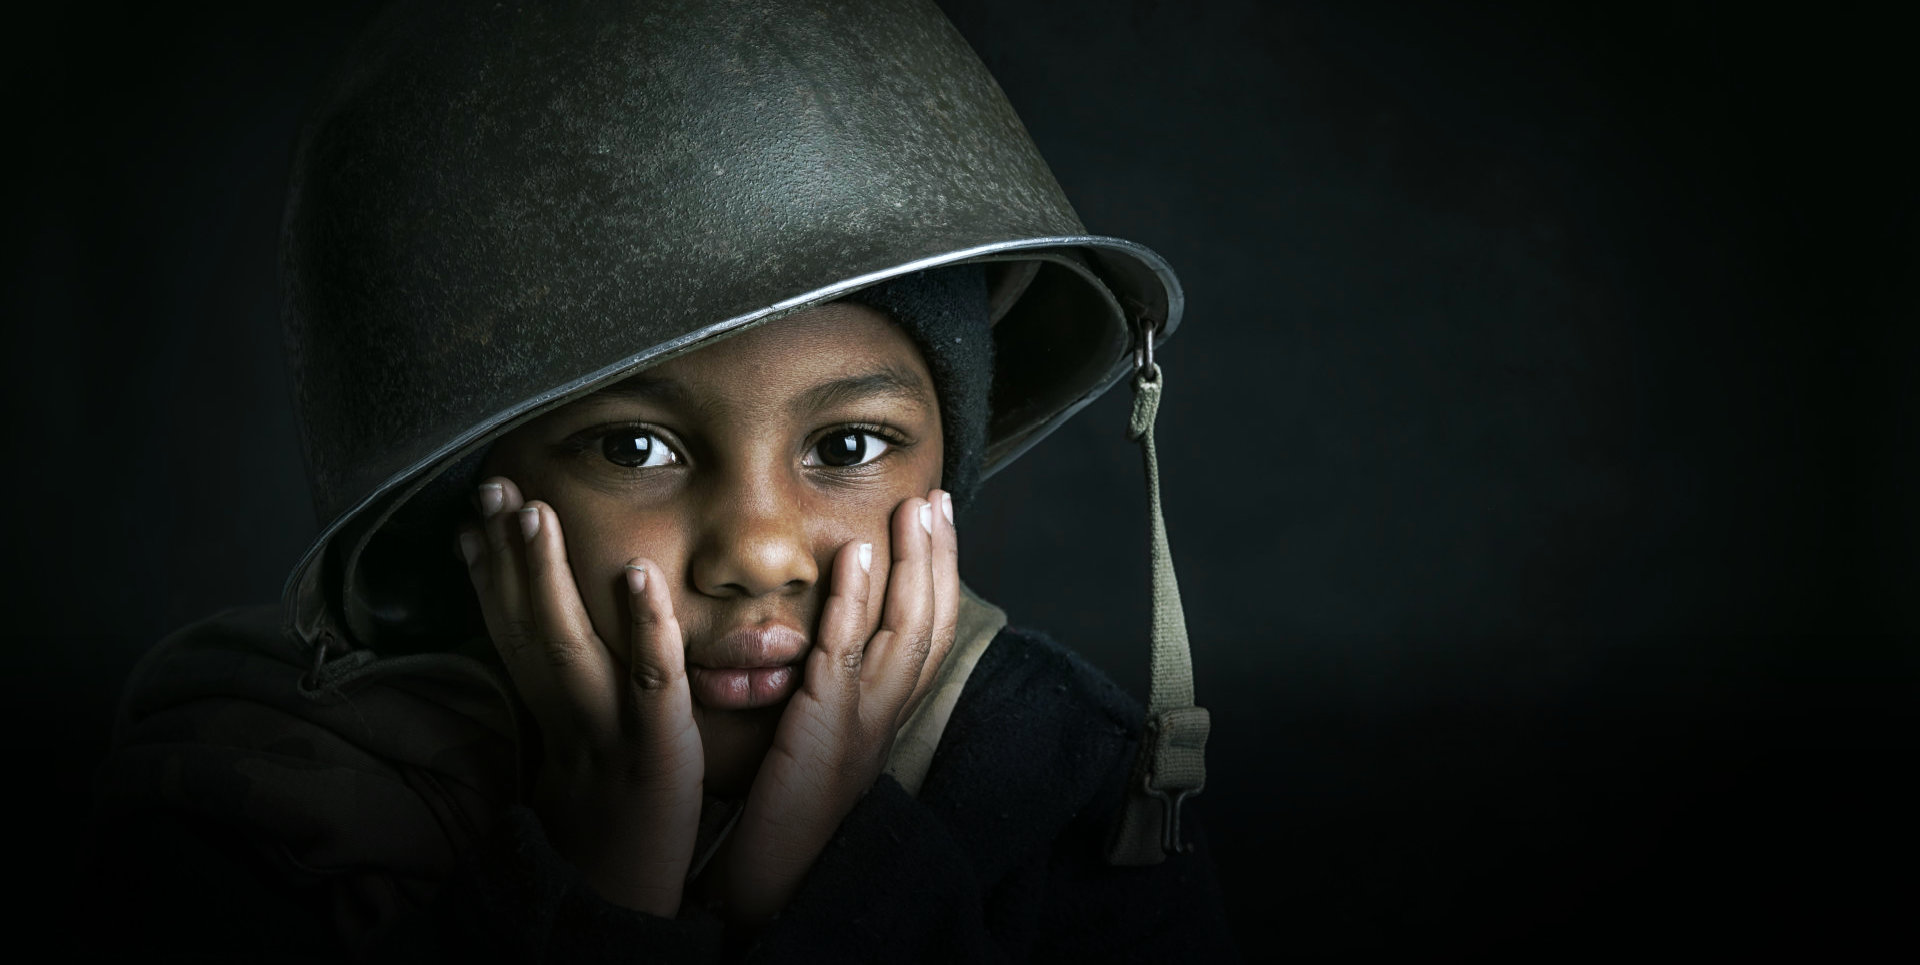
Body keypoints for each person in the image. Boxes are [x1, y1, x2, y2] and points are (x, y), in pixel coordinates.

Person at [85, 0, 1234, 960]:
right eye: (633, 448)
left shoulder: (1060, 786)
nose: (758, 552)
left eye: (847, 447)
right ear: (470, 491)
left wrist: (826, 887)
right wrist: (604, 890)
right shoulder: (275, 810)